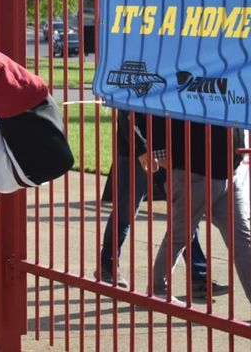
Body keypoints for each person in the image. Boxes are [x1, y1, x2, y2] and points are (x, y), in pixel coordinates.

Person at [96, 110, 228, 299]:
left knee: (185, 211)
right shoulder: (135, 79)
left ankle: (199, 277)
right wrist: (141, 148)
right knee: (126, 211)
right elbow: (124, 110)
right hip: (136, 150)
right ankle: (107, 266)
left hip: (165, 149)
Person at [144, 117, 251, 304]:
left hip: (230, 172)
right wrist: (159, 153)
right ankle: (157, 290)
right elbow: (156, 114)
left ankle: (157, 289)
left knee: (242, 238)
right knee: (179, 235)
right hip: (195, 171)